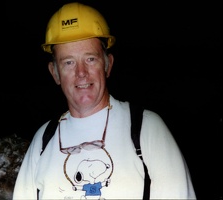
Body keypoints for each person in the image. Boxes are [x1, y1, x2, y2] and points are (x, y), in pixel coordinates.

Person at [13, 2, 196, 199]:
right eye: (68, 62)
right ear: (55, 73)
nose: (81, 73)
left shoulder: (146, 128)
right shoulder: (43, 140)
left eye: (90, 59)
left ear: (108, 65)